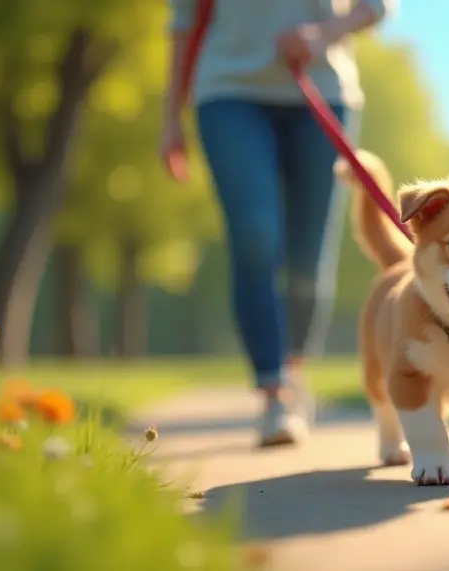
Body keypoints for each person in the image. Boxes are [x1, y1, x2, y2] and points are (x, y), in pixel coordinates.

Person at [161, 0, 396, 446]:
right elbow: (183, 23)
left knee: (308, 258)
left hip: (321, 88)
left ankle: (293, 366)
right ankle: (274, 392)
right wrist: (170, 117)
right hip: (228, 91)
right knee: (255, 236)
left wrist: (323, 32)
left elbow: (377, 6)